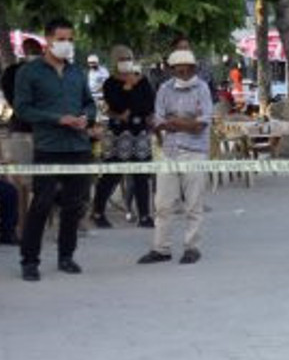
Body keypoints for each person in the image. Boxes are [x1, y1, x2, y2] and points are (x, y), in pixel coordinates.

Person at [14, 17, 98, 281]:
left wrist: (86, 117)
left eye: (70, 39)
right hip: (48, 147)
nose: (67, 44)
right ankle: (29, 261)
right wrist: (57, 119)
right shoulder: (29, 72)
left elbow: (90, 103)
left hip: (78, 146)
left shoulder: (77, 72)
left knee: (74, 205)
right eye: (61, 39)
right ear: (48, 40)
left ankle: (66, 256)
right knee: (41, 203)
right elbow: (23, 109)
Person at [136, 50, 213, 265]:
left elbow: (201, 125)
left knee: (194, 204)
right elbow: (158, 122)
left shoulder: (202, 88)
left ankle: (192, 247)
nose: (184, 73)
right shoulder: (164, 89)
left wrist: (174, 122)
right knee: (162, 204)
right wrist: (185, 122)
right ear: (172, 70)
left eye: (188, 69)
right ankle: (161, 248)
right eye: (180, 70)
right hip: (169, 151)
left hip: (195, 151)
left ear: (194, 69)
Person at [91, 46, 155, 228]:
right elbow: (115, 104)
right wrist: (127, 89)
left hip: (140, 133)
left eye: (128, 58)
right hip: (117, 134)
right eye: (121, 59)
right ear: (114, 61)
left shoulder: (142, 81)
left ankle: (144, 216)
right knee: (112, 174)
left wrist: (131, 96)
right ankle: (97, 212)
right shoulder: (110, 83)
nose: (126, 62)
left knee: (141, 175)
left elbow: (148, 104)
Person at [2, 37, 44, 164]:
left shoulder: (11, 72)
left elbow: (10, 98)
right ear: (41, 50)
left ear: (24, 51)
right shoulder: (52, 70)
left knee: (23, 168)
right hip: (46, 129)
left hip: (21, 126)